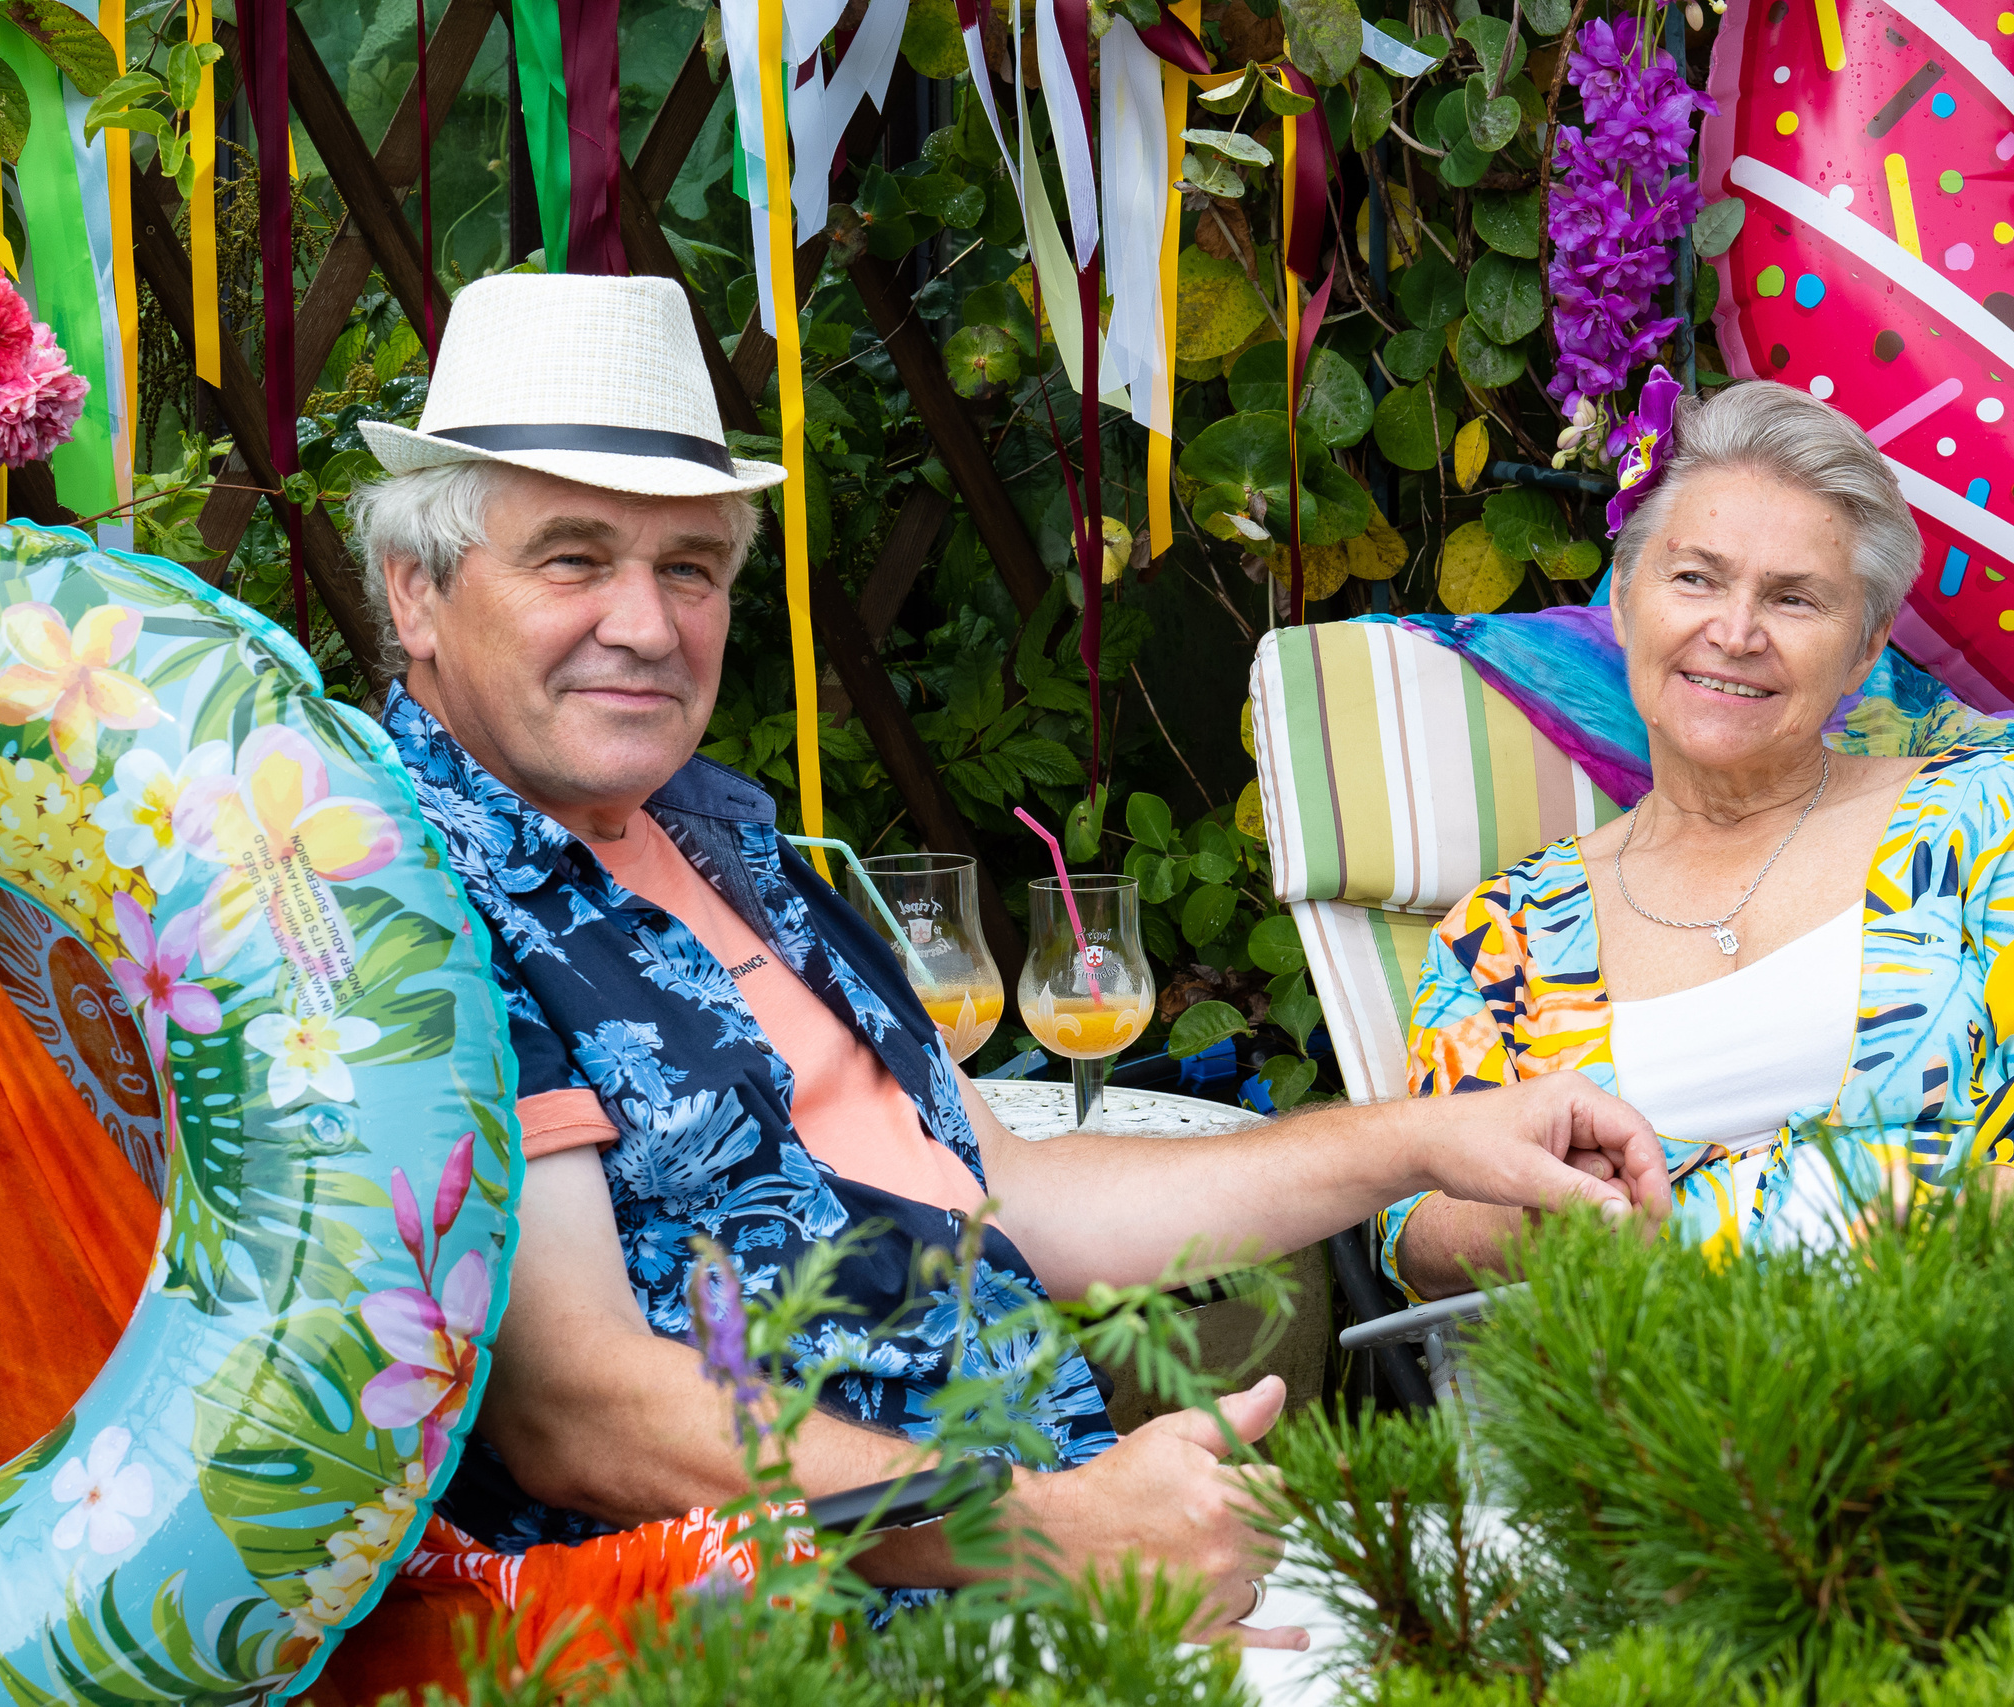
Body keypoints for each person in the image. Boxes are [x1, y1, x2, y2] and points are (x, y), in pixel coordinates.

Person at [344, 273, 1670, 1648]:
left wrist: (1426, 1139)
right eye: (572, 556)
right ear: (417, 591)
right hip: (777, 1655)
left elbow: (1008, 1189)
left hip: (1051, 1588)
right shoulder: (408, 894)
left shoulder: (726, 842)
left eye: (689, 567)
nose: (645, 620)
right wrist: (1048, 1529)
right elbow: (576, 1406)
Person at [1379, 381, 2014, 1304]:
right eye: (1694, 577)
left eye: (1795, 599)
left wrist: (1800, 1241)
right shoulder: (1507, 933)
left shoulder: (1994, 816)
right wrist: (1552, 1213)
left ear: (1865, 649)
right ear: (1624, 600)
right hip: (1685, 1396)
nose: (1734, 633)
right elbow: (1415, 1226)